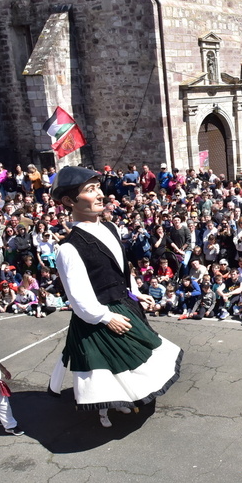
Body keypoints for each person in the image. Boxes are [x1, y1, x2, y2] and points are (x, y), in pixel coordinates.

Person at [47, 167, 183, 428]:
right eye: (90, 190)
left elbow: (121, 267)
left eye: (98, 187)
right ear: (68, 201)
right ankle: (105, 408)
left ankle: (122, 399)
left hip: (123, 303)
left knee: (133, 359)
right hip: (99, 314)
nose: (99, 194)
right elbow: (77, 297)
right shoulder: (68, 248)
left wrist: (136, 292)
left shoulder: (110, 226)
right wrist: (105, 317)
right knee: (106, 368)